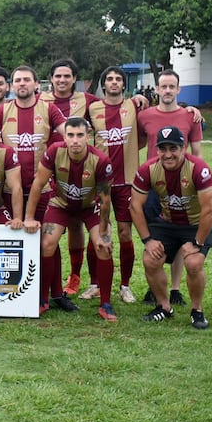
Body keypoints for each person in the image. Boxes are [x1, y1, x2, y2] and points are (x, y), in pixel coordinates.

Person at [24, 117, 116, 320]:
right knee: (46, 243)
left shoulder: (101, 161)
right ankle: (42, 299)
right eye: (71, 135)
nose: (75, 140)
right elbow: (38, 185)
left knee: (104, 246)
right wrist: (29, 217)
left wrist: (103, 232)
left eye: (80, 135)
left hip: (90, 206)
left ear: (88, 136)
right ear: (64, 136)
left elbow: (105, 201)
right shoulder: (54, 152)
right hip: (61, 203)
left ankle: (106, 304)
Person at [130, 126, 212, 329]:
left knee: (194, 263)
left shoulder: (198, 169)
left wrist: (197, 242)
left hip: (197, 222)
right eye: (163, 149)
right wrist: (147, 240)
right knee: (150, 260)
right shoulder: (148, 170)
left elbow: (208, 210)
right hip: (168, 222)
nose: (168, 154)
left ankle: (197, 311)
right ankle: (164, 307)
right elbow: (135, 206)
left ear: (183, 147)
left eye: (173, 148)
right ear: (157, 150)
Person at [137, 69, 203, 306]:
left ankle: (175, 288)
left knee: (180, 234)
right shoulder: (145, 116)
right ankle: (154, 287)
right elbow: (137, 143)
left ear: (178, 89)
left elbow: (197, 153)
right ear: (156, 89)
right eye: (162, 86)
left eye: (171, 86)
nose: (167, 91)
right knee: (156, 235)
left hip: (183, 185)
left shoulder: (189, 116)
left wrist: (197, 184)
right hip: (154, 184)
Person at [86, 66, 140, 303]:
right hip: (101, 183)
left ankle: (125, 286)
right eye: (110, 79)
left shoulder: (134, 106)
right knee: (98, 233)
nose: (114, 82)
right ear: (103, 84)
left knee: (125, 232)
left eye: (119, 79)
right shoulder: (92, 108)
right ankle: (95, 283)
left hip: (127, 182)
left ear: (124, 84)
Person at [0, 66, 66, 220]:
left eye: (26, 80)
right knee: (13, 238)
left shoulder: (49, 109)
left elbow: (68, 134)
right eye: (18, 80)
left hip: (41, 188)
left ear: (36, 84)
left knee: (45, 241)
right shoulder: (3, 110)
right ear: (12, 86)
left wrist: (80, 130)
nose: (22, 83)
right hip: (9, 189)